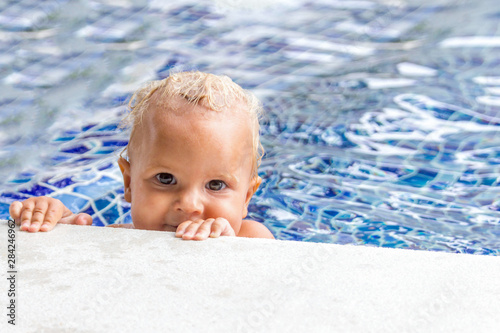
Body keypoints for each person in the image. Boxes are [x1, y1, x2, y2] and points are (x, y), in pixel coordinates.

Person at [9, 71, 274, 240]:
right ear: (129, 183)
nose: (190, 204)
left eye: (216, 184)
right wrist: (59, 225)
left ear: (247, 198)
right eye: (166, 178)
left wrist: (228, 252)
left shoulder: (252, 239)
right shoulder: (115, 239)